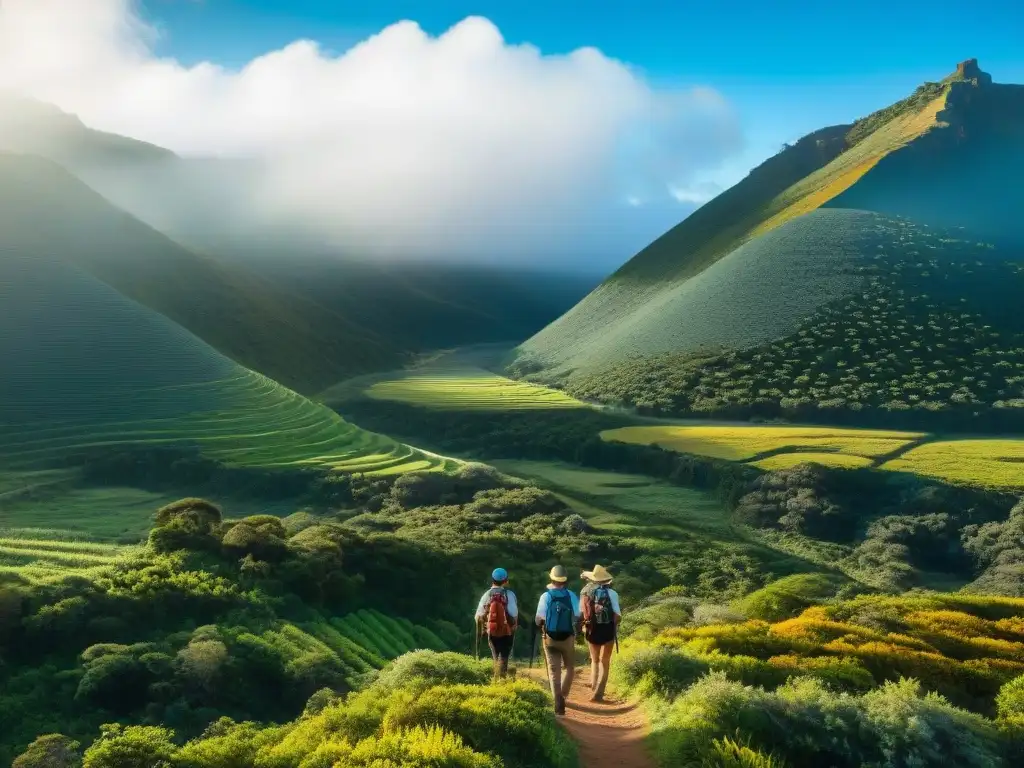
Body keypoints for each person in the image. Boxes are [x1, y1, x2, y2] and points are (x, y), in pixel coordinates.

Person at [534, 565, 581, 715]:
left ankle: (557, 701)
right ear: (565, 580)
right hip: (567, 637)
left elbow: (538, 619)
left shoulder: (545, 596)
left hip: (550, 638)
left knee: (554, 671)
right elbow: (579, 614)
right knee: (569, 668)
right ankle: (563, 695)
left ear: (552, 579)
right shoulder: (571, 595)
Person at [580, 564, 622, 702]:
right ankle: (599, 693)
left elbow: (581, 612)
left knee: (595, 659)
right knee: (605, 661)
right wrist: (614, 626)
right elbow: (617, 615)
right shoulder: (612, 593)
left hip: (592, 629)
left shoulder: (585, 592)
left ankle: (593, 684)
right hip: (608, 629)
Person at [475, 567, 518, 679]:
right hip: (507, 631)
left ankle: (496, 679)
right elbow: (514, 614)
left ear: (492, 580)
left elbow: (478, 616)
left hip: (492, 631)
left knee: (495, 656)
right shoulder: (510, 595)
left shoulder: (487, 595)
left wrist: (486, 624)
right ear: (506, 581)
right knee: (504, 656)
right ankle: (503, 679)